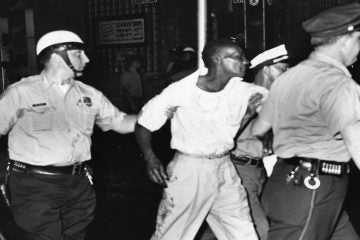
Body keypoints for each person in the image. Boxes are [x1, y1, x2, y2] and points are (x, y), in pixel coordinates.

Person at [0, 30, 137, 240]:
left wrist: (164, 109)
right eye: (79, 54)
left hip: (79, 184)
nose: (87, 59)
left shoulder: (89, 94)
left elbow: (122, 123)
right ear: (56, 56)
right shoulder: (21, 92)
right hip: (35, 185)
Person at [135, 38, 268, 240]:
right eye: (239, 57)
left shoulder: (242, 91)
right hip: (190, 170)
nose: (246, 62)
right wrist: (150, 157)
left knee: (243, 232)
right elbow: (144, 124)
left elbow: (279, 107)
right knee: (174, 234)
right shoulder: (182, 90)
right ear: (218, 59)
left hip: (224, 167)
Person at [251, 3, 360, 240]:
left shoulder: (290, 77)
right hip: (314, 187)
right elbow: (356, 143)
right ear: (346, 40)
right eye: (358, 40)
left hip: (285, 182)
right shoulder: (338, 83)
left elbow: (259, 128)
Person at [199, 44, 289, 240]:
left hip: (261, 172)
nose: (287, 73)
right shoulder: (241, 95)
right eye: (282, 69)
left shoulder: (275, 98)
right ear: (265, 70)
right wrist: (246, 115)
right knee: (260, 231)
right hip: (238, 170)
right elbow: (220, 136)